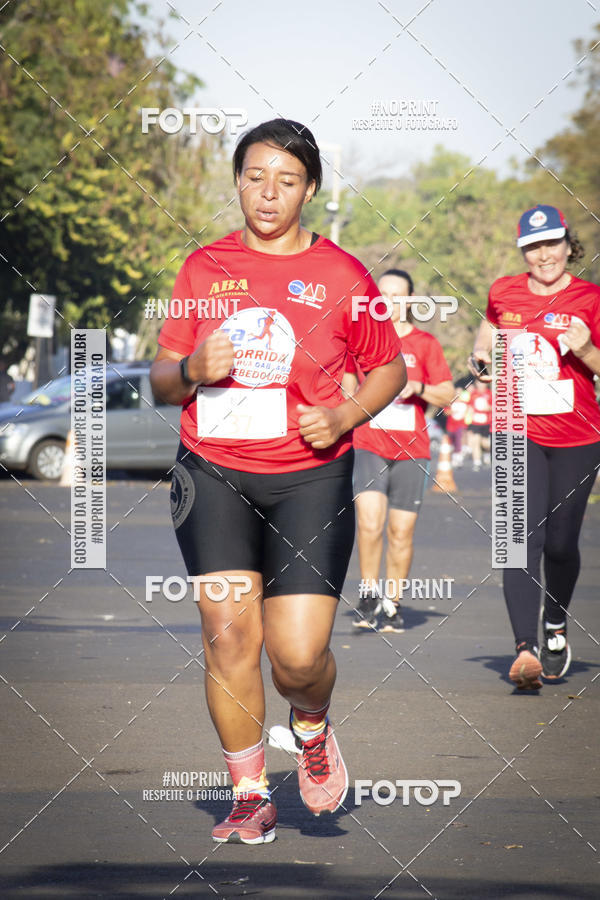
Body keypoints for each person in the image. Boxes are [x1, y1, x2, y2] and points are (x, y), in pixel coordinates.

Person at [150, 119, 406, 844]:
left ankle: (313, 727)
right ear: (237, 181)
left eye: (287, 180)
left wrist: (346, 413)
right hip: (214, 473)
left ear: (311, 189)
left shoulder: (343, 275)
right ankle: (250, 791)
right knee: (227, 635)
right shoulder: (203, 268)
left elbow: (392, 367)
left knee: (296, 659)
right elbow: (162, 378)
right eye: (256, 176)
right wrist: (193, 369)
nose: (269, 192)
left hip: (309, 480)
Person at [469, 204, 600, 689]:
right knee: (520, 541)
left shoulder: (591, 298)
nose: (544, 255)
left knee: (562, 544)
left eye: (552, 244)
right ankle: (525, 649)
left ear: (569, 245)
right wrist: (481, 355)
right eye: (533, 246)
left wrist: (586, 349)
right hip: (515, 429)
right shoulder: (505, 291)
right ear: (524, 250)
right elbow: (490, 332)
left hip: (578, 435)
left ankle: (555, 621)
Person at [343, 270, 454, 632]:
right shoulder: (362, 342)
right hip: (368, 444)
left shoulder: (425, 344)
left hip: (412, 450)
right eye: (383, 295)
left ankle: (392, 603)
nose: (389, 302)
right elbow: (345, 389)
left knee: (400, 532)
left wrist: (417, 386)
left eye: (398, 296)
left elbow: (447, 394)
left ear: (411, 301)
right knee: (370, 523)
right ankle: (368, 592)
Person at [466, 380, 492, 470]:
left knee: (485, 443)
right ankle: (477, 462)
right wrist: (468, 416)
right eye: (479, 383)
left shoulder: (490, 394)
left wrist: (488, 408)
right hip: (475, 422)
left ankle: (487, 453)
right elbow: (470, 406)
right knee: (475, 441)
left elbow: (495, 407)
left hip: (486, 422)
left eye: (482, 383)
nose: (481, 385)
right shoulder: (473, 394)